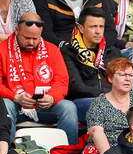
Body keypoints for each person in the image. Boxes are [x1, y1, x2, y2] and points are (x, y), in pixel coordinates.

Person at [0, 13, 77, 143]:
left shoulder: (52, 50)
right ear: (17, 30)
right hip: (15, 104)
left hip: (45, 105)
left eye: (35, 38)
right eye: (27, 37)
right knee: (5, 105)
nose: (31, 42)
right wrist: (15, 97)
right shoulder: (2, 50)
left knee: (68, 107)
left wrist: (52, 97)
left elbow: (62, 81)